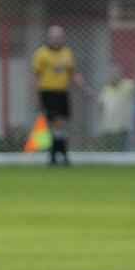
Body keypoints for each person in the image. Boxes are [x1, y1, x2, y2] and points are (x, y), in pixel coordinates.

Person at [31, 25, 85, 166]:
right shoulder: (41, 54)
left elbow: (73, 74)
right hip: (48, 93)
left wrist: (83, 87)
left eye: (59, 37)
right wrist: (37, 96)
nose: (57, 39)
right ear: (49, 38)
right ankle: (61, 156)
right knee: (56, 124)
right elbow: (36, 77)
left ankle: (55, 156)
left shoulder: (67, 53)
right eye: (54, 37)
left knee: (60, 126)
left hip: (62, 92)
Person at [97, 64, 135, 151]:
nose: (113, 76)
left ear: (120, 74)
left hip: (122, 126)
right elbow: (101, 105)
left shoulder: (127, 85)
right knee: (108, 150)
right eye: (111, 74)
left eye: (115, 73)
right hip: (108, 127)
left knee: (121, 150)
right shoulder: (106, 89)